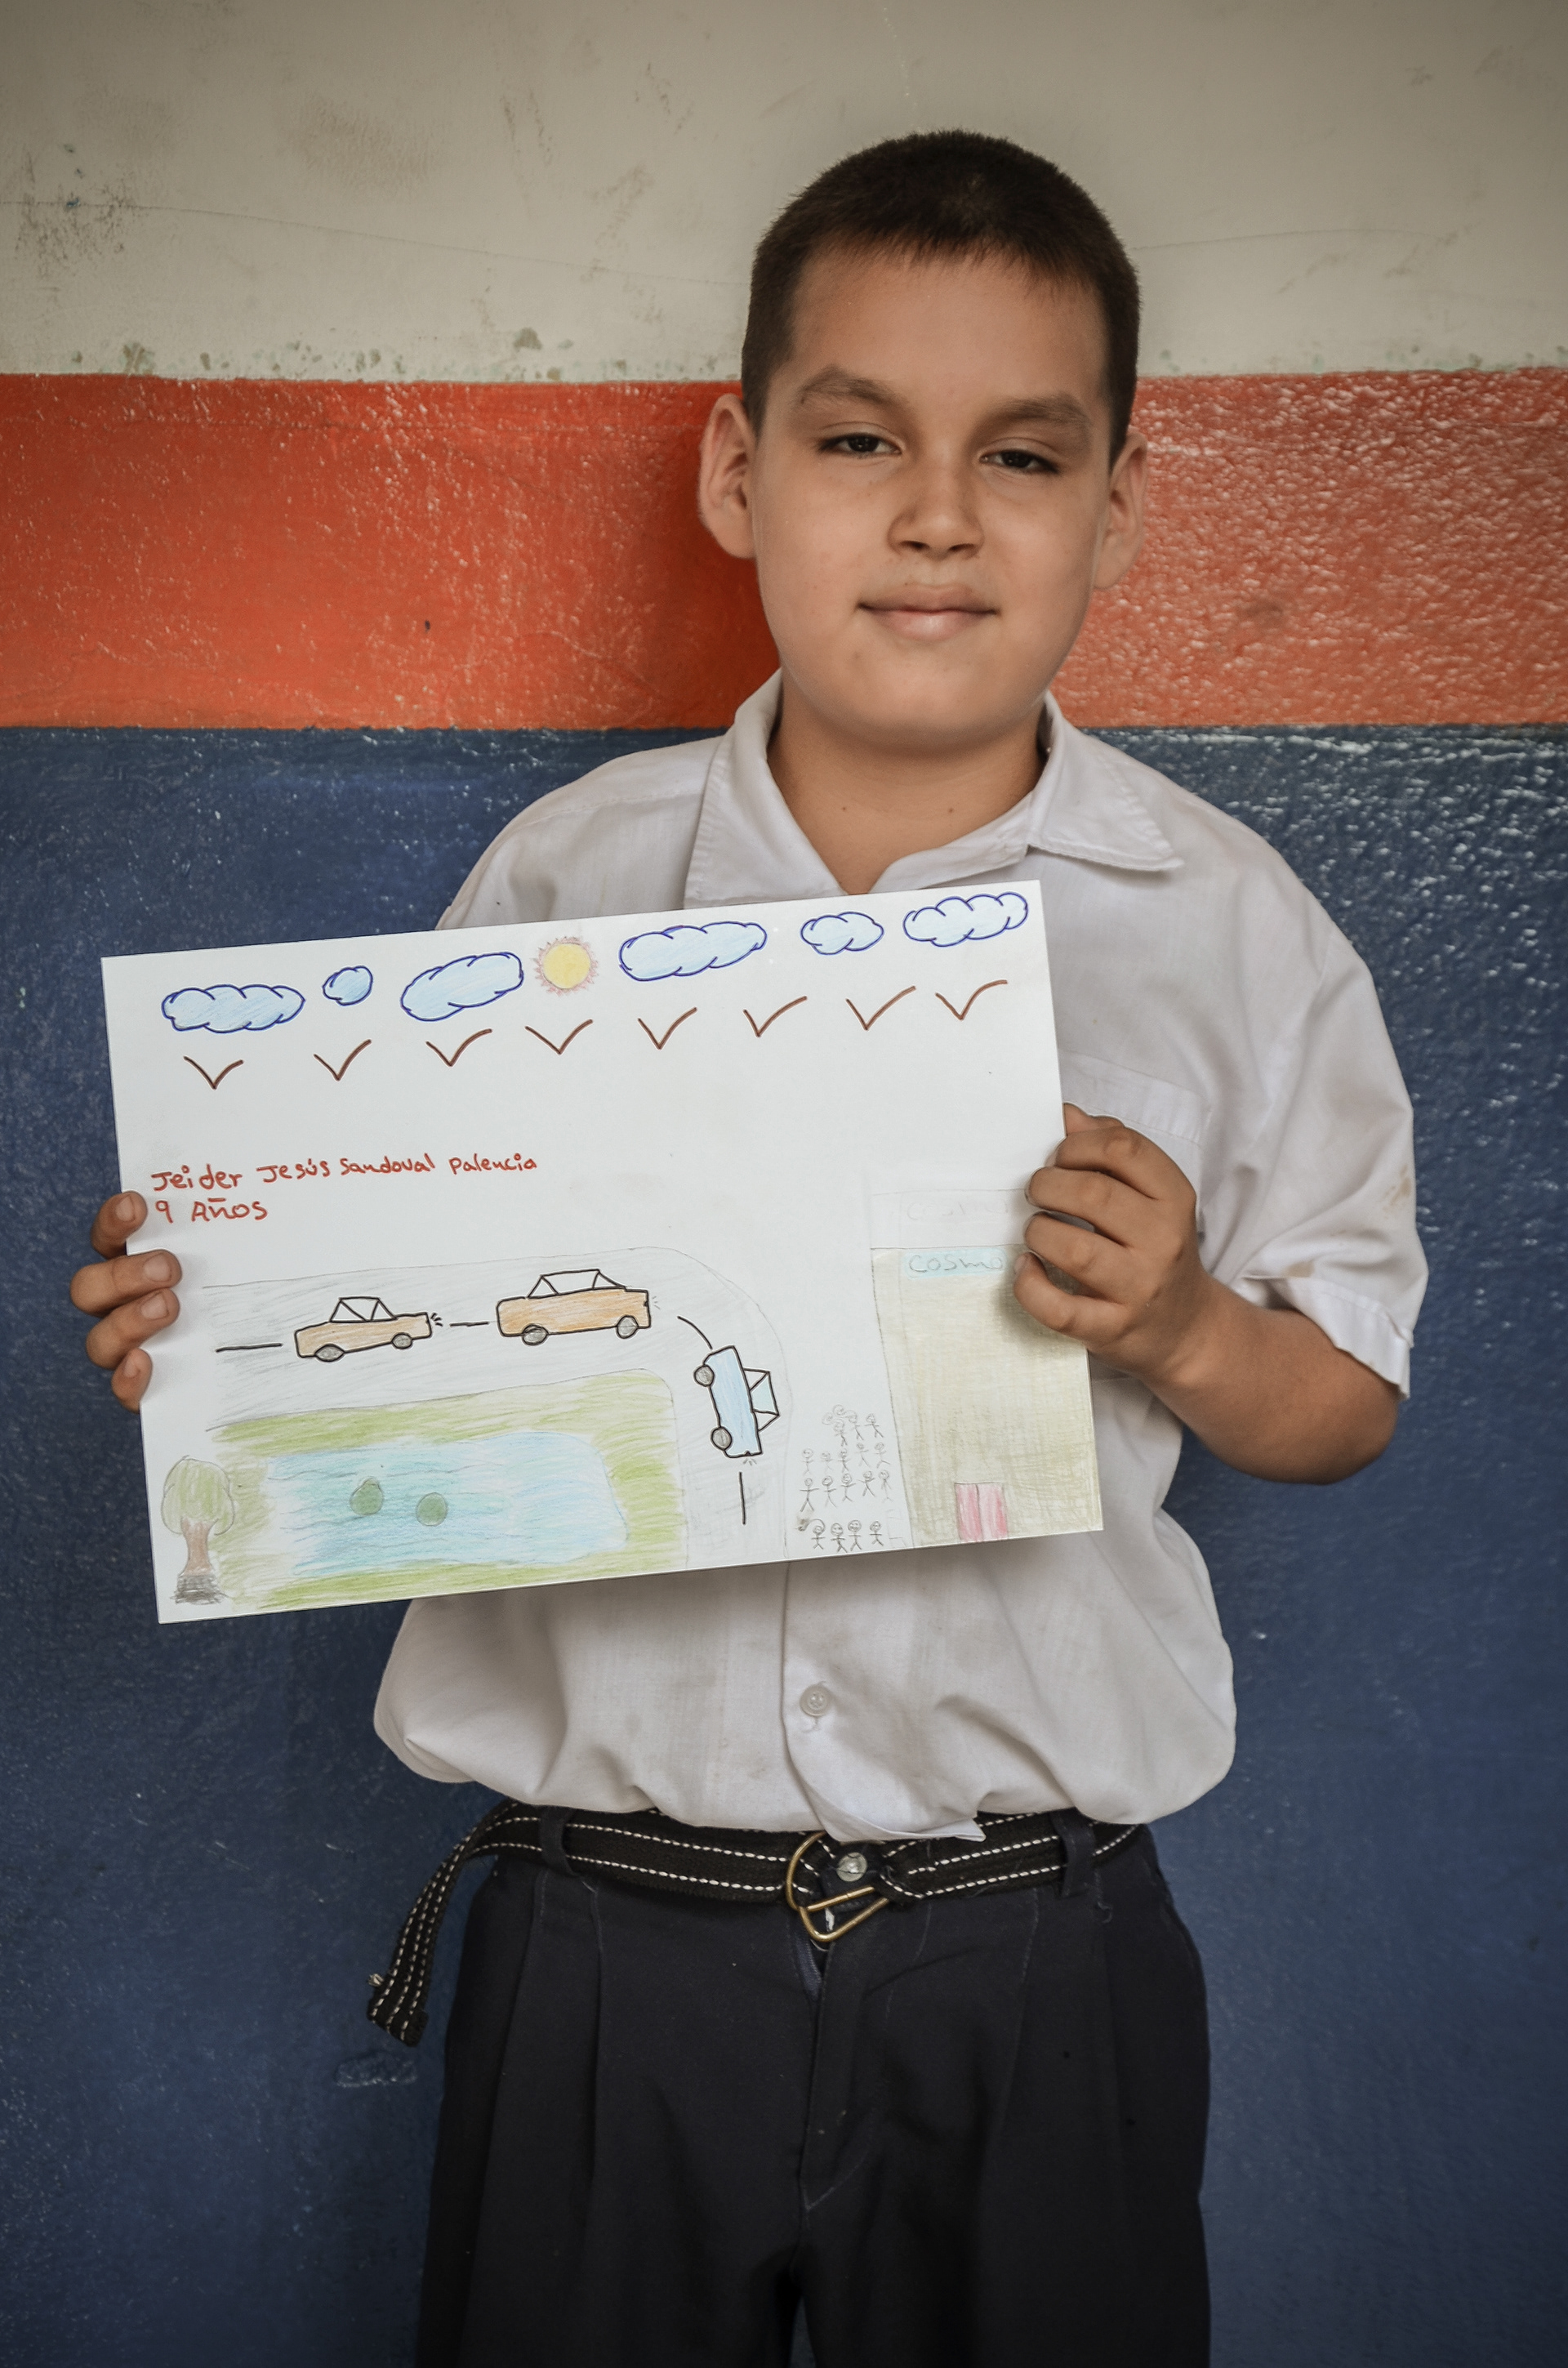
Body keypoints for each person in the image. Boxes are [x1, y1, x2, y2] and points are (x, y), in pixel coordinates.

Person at [69, 132, 1426, 2367]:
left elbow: (1347, 1393)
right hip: (609, 1938)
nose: (937, 515)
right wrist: (226, 1326)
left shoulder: (1236, 933)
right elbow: (415, 1294)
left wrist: (1185, 1322)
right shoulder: (565, 883)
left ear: (1117, 505)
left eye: (1022, 455)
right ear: (737, 469)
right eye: (860, 438)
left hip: (1033, 1944)